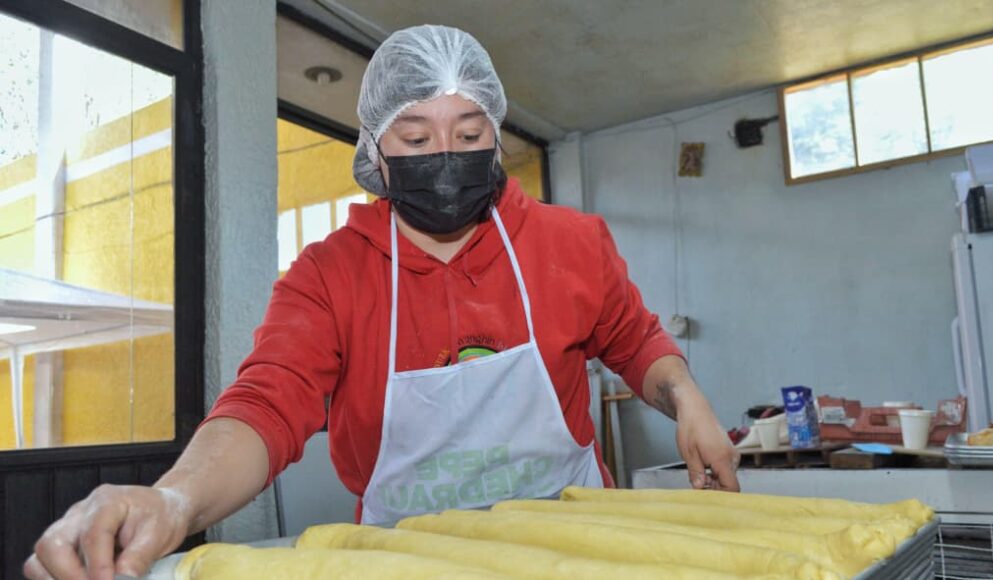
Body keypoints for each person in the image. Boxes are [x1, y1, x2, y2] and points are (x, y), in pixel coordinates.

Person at [25, 24, 738, 579]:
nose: (445, 156)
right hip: (405, 557)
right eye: (416, 136)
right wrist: (175, 500)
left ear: (495, 135)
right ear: (376, 146)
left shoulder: (569, 242)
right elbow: (266, 406)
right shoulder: (329, 276)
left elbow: (634, 341)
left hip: (578, 545)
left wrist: (685, 395)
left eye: (467, 134)